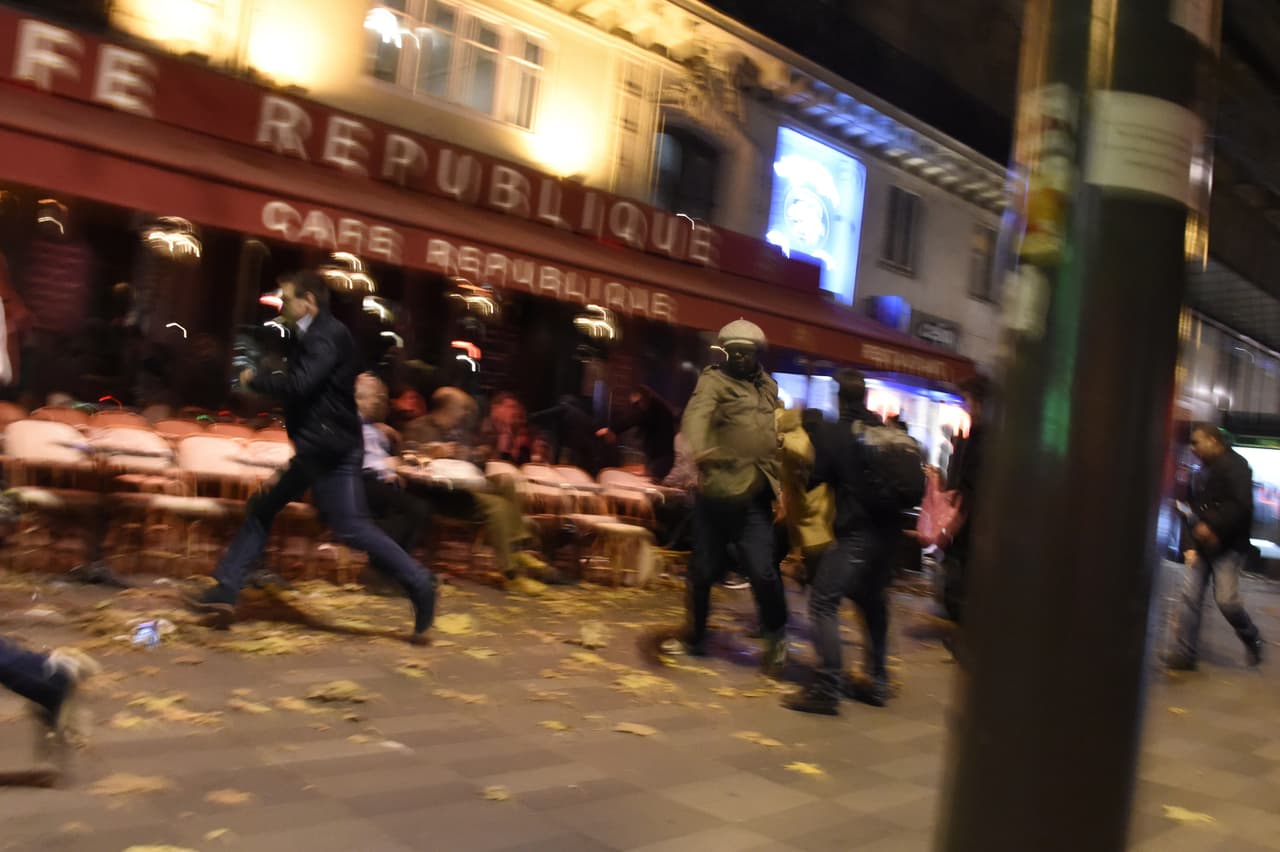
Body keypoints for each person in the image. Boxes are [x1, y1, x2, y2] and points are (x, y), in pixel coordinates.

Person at [185, 271, 437, 644]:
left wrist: (257, 380)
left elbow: (302, 384)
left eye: (287, 298)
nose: (282, 304)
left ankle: (420, 582)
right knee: (266, 508)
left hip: (327, 447)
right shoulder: (317, 335)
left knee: (348, 526)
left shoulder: (326, 335)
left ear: (309, 301)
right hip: (323, 445)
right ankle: (225, 589)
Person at [667, 318, 787, 673]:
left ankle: (776, 635)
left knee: (763, 571)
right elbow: (696, 416)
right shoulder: (713, 380)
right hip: (716, 493)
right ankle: (694, 636)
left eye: (745, 353)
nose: (738, 359)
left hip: (754, 495)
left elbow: (773, 430)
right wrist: (700, 448)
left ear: (757, 354)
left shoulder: (769, 386)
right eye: (732, 352)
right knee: (702, 572)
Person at [785, 369, 898, 715]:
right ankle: (878, 682)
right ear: (864, 396)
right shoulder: (884, 431)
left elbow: (815, 480)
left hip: (858, 533)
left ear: (838, 397)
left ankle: (827, 687)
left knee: (822, 600)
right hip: (891, 537)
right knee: (872, 601)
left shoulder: (836, 433)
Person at [404, 385, 552, 585]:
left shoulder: (457, 432)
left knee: (506, 482)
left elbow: (474, 461)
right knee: (498, 506)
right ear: (447, 407)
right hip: (442, 493)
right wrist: (432, 453)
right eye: (461, 408)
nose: (465, 413)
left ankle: (518, 547)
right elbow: (408, 460)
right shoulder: (419, 428)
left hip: (466, 485)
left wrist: (475, 454)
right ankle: (510, 571)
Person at [1167, 424, 1265, 670]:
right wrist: (1190, 544)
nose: (1193, 448)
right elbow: (1190, 508)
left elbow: (1242, 507)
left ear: (1214, 441)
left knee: (1227, 601)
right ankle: (1185, 653)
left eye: (1197, 442)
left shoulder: (1238, 467)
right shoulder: (1200, 471)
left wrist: (1214, 528)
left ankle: (1250, 636)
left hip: (1228, 547)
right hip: (1202, 547)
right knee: (1190, 598)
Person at [355, 373, 433, 573]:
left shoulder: (372, 427)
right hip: (354, 481)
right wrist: (387, 467)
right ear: (359, 397)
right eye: (376, 397)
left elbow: (377, 458)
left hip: (374, 481)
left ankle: (390, 566)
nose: (380, 402)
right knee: (412, 509)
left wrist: (393, 463)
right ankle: (383, 564)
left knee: (418, 507)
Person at [0, 640, 99, 776]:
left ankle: (55, 677)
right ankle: (54, 674)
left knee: (9, 665)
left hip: (48, 685)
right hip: (47, 682)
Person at [941, 374, 990, 625]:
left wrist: (950, 529)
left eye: (967, 401)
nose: (965, 407)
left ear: (979, 404)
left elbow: (969, 490)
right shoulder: (994, 440)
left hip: (968, 530)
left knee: (959, 585)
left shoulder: (979, 440)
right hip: (981, 531)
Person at [597, 386, 678, 481]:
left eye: (637, 403)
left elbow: (634, 417)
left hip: (662, 458)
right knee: (650, 478)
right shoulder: (658, 409)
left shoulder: (653, 408)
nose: (636, 407)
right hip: (660, 457)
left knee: (650, 481)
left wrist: (613, 430)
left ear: (642, 398)